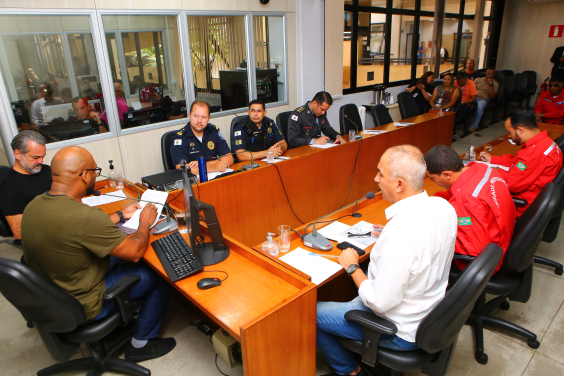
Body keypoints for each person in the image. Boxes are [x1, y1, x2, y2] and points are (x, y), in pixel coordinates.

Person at [21, 146, 176, 362]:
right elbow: (135, 252)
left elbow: (78, 230)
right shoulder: (82, 217)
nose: (96, 175)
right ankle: (142, 343)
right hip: (85, 303)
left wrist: (121, 214)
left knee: (116, 257)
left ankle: (129, 315)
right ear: (84, 175)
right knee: (160, 275)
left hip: (56, 292)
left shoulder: (34, 205)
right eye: (95, 171)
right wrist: (145, 224)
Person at [316, 145, 457, 376]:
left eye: (381, 173)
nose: (376, 178)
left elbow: (379, 302)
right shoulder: (443, 207)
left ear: (400, 184)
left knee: (309, 315)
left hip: (398, 330)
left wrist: (352, 266)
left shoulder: (401, 233)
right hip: (428, 312)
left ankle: (351, 372)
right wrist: (388, 235)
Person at [425, 145, 515, 273]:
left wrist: (440, 233)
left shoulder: (466, 201)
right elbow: (454, 194)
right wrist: (429, 201)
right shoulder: (481, 169)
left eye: (433, 178)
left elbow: (475, 251)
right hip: (502, 237)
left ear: (447, 174)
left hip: (487, 261)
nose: (433, 182)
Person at [480, 110, 563, 218]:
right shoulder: (545, 142)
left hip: (521, 206)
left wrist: (492, 172)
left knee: (474, 201)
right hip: (534, 198)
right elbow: (519, 163)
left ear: (520, 130)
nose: (509, 136)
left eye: (509, 132)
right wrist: (494, 159)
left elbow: (511, 184)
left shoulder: (533, 153)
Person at [0, 131, 51, 244]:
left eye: (43, 156)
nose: (41, 161)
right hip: (43, 239)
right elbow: (19, 232)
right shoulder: (10, 188)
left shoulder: (46, 170)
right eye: (35, 157)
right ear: (18, 154)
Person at [170, 100, 233, 174]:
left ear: (209, 118)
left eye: (203, 117)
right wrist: (212, 167)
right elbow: (181, 168)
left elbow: (229, 158)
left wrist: (202, 165)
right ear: (189, 115)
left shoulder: (213, 132)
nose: (199, 120)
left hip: (216, 178)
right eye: (195, 116)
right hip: (194, 182)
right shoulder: (180, 138)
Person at [453, 71, 478, 139]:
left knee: (459, 113)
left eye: (461, 82)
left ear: (466, 79)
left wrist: (463, 102)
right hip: (455, 102)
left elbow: (473, 99)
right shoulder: (455, 82)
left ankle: (451, 129)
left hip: (466, 103)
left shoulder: (471, 83)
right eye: (458, 82)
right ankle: (451, 129)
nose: (459, 83)